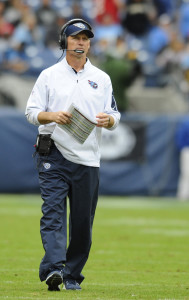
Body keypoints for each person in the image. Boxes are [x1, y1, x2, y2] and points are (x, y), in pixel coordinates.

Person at [25, 18, 120, 291]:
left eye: (85, 39)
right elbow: (31, 112)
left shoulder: (101, 79)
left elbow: (115, 115)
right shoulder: (48, 75)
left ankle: (71, 275)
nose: (80, 43)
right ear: (64, 42)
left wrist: (109, 121)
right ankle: (54, 268)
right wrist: (52, 115)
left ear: (90, 44)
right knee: (53, 212)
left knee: (82, 224)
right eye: (75, 38)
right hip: (52, 154)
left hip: (88, 158)